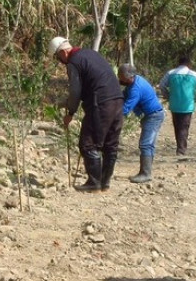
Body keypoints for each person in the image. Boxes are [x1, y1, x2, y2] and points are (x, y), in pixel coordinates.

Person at [49, 36, 124, 192]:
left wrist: (70, 112)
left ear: (63, 52)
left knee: (88, 144)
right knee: (110, 145)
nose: (59, 61)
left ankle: (94, 183)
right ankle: (104, 182)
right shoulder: (91, 54)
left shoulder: (73, 62)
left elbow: (75, 91)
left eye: (58, 57)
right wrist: (66, 101)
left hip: (101, 103)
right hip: (117, 100)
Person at [117, 63, 165, 184]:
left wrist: (112, 115)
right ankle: (145, 172)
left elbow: (126, 108)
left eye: (121, 76)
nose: (119, 79)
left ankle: (146, 173)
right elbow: (123, 96)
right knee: (148, 144)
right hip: (150, 115)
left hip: (153, 116)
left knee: (146, 144)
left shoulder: (135, 88)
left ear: (128, 77)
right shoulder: (133, 83)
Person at [158, 54, 196, 156]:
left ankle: (180, 147)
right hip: (187, 106)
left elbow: (161, 85)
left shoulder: (170, 73)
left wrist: (167, 95)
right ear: (188, 64)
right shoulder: (193, 74)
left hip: (174, 104)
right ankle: (181, 150)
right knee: (184, 127)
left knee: (177, 126)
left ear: (178, 63)